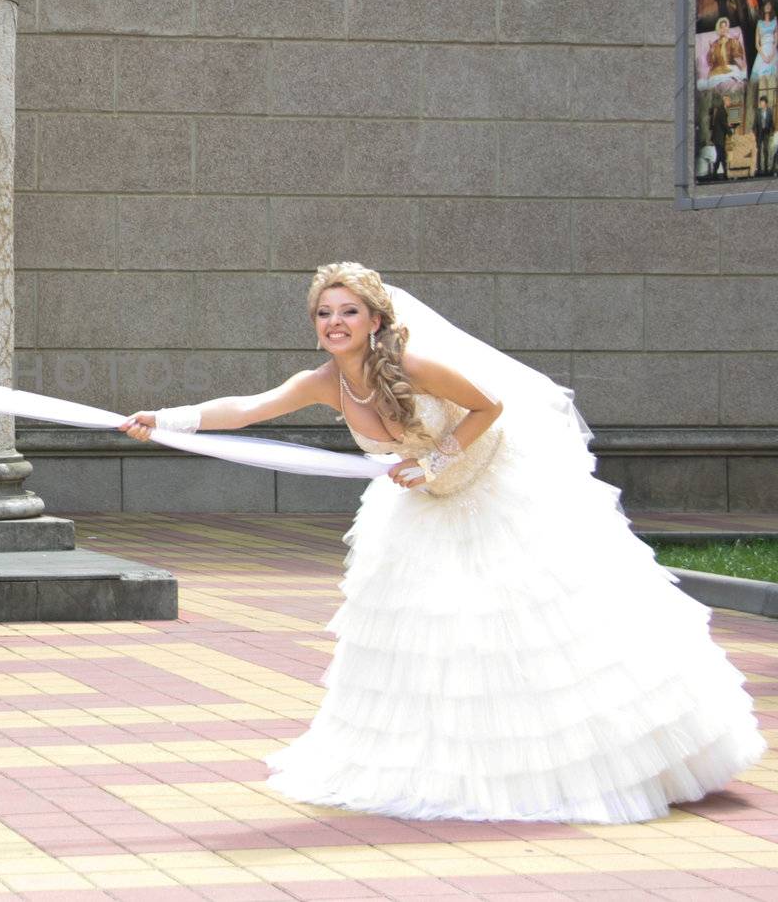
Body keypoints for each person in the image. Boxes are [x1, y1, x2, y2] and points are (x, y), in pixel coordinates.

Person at [120, 262, 763, 823]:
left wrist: (433, 463)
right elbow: (248, 408)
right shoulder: (325, 381)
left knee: (539, 627)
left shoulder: (411, 363)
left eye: (349, 311)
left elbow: (489, 407)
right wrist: (167, 421)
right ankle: (450, 767)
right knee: (439, 638)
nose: (335, 323)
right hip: (427, 510)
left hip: (494, 491)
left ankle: (601, 761)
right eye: (324, 313)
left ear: (375, 319)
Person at [710, 92, 732, 178]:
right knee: (721, 155)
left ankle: (717, 173)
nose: (730, 102)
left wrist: (727, 125)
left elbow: (723, 123)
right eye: (729, 100)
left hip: (719, 137)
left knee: (721, 156)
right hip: (718, 138)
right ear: (725, 101)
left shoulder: (722, 110)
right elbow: (724, 124)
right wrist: (730, 133)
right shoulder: (721, 110)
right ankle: (720, 173)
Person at [757, 96, 775, 175]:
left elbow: (771, 122)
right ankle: (759, 168)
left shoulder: (770, 111)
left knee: (765, 150)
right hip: (759, 133)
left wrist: (772, 130)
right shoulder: (758, 111)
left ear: (766, 103)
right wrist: (754, 132)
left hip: (766, 132)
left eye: (763, 103)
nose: (761, 104)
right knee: (758, 150)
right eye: (761, 103)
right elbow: (755, 123)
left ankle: (766, 168)